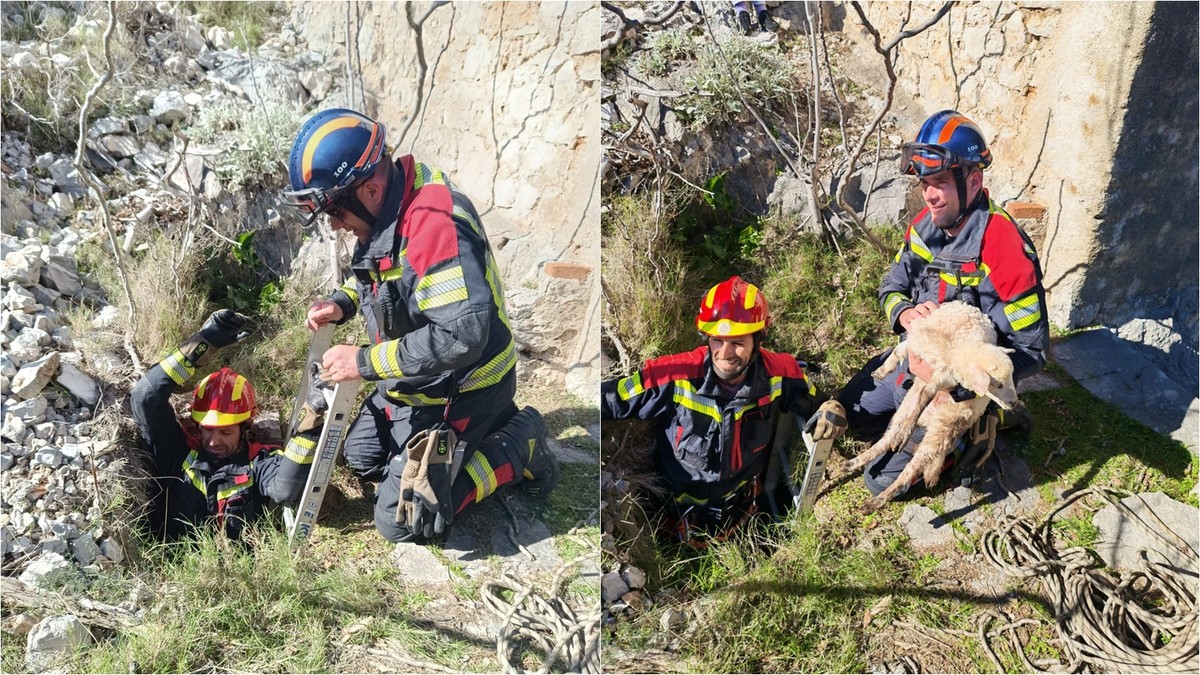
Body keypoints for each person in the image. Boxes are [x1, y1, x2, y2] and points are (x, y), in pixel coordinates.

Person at [281, 108, 559, 544]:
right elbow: (384, 277)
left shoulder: (432, 226)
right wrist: (341, 304)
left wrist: (363, 361)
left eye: (335, 210)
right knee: (361, 457)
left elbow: (460, 336)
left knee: (404, 522)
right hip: (417, 382)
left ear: (369, 188)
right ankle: (451, 446)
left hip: (464, 388)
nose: (334, 224)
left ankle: (518, 443)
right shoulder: (390, 205)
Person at [837, 109, 1049, 498]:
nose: (929, 194)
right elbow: (892, 286)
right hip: (916, 366)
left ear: (974, 179)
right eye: (924, 183)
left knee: (880, 480)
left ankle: (974, 436)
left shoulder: (1005, 247)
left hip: (955, 392)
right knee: (850, 418)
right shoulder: (924, 226)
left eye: (939, 183)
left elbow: (1031, 352)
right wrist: (904, 314)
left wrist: (966, 388)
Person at [601, 276, 847, 544]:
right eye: (717, 340)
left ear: (758, 340)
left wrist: (831, 407)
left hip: (741, 514)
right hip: (673, 519)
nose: (725, 353)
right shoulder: (674, 374)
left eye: (738, 343)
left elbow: (817, 401)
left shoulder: (780, 374)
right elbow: (613, 397)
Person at [131, 310, 317, 541]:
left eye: (226, 431)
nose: (213, 441)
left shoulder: (257, 462)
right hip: (170, 569)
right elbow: (144, 397)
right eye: (207, 429)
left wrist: (312, 417)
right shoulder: (177, 452)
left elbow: (285, 488)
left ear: (245, 427)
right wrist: (204, 342)